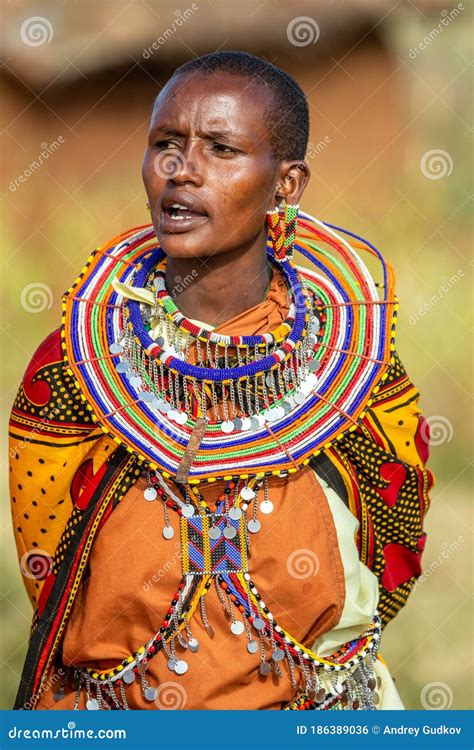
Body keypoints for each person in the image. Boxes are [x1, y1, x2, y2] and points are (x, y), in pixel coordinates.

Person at [9, 51, 435, 711]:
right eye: (166, 144)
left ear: (287, 185)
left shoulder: (355, 374)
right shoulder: (77, 367)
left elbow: (395, 546)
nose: (183, 170)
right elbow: (50, 568)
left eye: (222, 148)